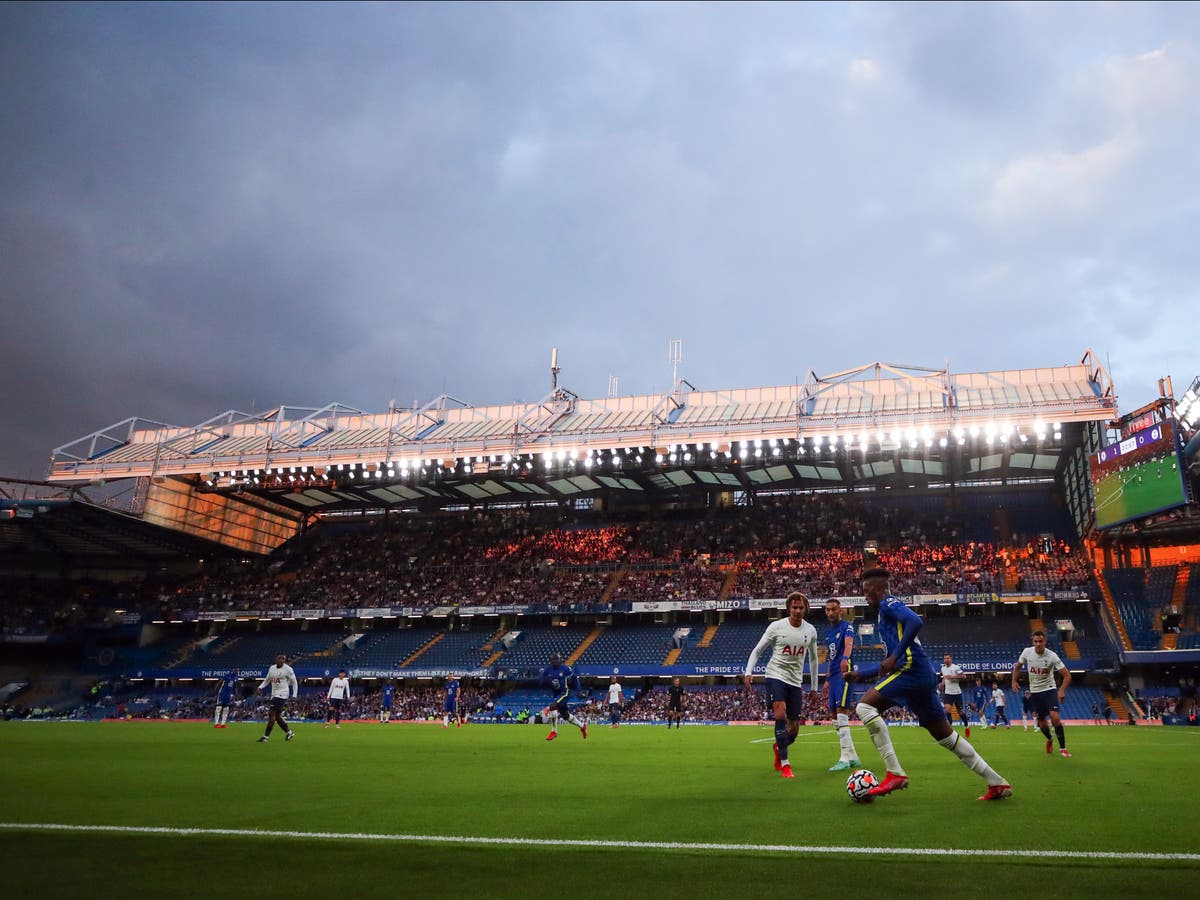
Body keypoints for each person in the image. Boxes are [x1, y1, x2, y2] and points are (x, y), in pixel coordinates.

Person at [844, 568, 1011, 800]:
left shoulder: (888, 603)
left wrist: (894, 657)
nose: (864, 595)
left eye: (866, 590)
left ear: (878, 588)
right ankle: (997, 782)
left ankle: (894, 772)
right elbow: (890, 662)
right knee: (945, 735)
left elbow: (915, 621)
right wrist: (860, 674)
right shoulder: (885, 615)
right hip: (920, 674)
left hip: (912, 671)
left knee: (864, 707)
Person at [743, 591, 819, 780]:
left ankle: (780, 746)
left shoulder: (810, 631)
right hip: (775, 675)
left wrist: (815, 687)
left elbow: (814, 660)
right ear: (788, 608)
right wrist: (748, 671)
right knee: (780, 713)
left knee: (793, 729)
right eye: (794, 607)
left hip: (795, 681)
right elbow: (758, 650)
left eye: (801, 608)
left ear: (806, 609)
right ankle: (786, 764)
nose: (798, 611)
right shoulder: (776, 627)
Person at [1011, 630, 1072, 758]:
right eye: (1035, 641)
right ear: (1033, 642)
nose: (1038, 644)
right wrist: (1014, 681)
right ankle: (1050, 739)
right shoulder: (1027, 652)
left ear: (1045, 641)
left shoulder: (1052, 656)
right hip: (1035, 692)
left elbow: (1067, 675)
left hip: (1049, 689)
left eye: (1040, 641)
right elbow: (1017, 667)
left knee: (1055, 717)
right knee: (1042, 723)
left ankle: (1063, 748)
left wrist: (1061, 690)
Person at [822, 598, 861, 771]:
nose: (831, 612)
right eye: (828, 610)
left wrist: (845, 659)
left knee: (841, 711)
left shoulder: (847, 626)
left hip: (845, 671)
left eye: (833, 609)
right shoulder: (828, 631)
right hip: (834, 674)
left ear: (840, 610)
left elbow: (848, 644)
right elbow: (831, 656)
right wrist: (827, 679)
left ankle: (844, 758)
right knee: (833, 714)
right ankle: (852, 756)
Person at [541, 653, 587, 741]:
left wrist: (579, 690)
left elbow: (575, 678)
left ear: (560, 660)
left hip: (564, 693)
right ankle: (582, 726)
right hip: (556, 694)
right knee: (566, 716)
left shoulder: (565, 669)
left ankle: (554, 731)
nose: (555, 662)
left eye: (556, 660)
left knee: (552, 706)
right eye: (553, 660)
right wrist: (548, 682)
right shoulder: (548, 670)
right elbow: (542, 680)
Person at [256, 654, 297, 743]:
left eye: (283, 659)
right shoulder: (272, 668)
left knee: (271, 713)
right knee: (277, 716)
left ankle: (266, 737)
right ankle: (289, 733)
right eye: (280, 658)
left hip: (283, 694)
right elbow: (267, 679)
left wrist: (294, 694)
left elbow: (294, 682)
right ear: (276, 659)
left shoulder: (288, 670)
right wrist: (260, 687)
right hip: (274, 694)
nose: (282, 660)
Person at [939, 653, 971, 737]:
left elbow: (963, 676)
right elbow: (945, 678)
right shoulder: (943, 668)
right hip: (948, 693)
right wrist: (942, 684)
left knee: (960, 712)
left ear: (951, 659)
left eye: (947, 658)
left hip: (957, 693)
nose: (946, 660)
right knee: (947, 710)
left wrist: (953, 676)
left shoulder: (956, 667)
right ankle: (949, 730)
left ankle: (967, 726)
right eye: (945, 658)